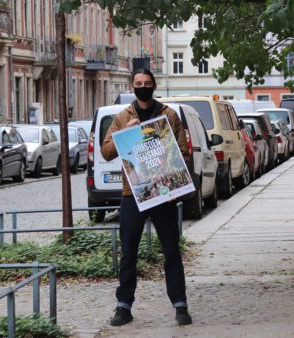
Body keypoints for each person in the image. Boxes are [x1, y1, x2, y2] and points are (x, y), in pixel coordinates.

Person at [100, 68, 193, 326]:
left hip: (163, 192)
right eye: (138, 83)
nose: (143, 86)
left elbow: (184, 153)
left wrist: (174, 182)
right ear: (132, 86)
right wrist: (122, 134)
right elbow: (106, 152)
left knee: (171, 249)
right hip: (133, 193)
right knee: (128, 250)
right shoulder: (122, 117)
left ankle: (180, 304)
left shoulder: (169, 115)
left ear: (154, 85)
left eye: (147, 83)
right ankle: (123, 305)